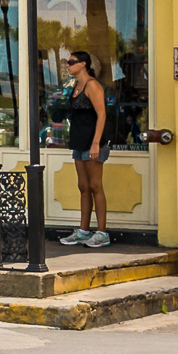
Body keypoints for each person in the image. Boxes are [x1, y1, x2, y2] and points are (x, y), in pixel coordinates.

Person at [56, 48, 113, 248]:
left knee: (96, 185)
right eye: (68, 62)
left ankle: (102, 233)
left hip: (92, 142)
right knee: (83, 186)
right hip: (79, 141)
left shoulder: (92, 85)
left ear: (83, 64)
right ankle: (83, 230)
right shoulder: (76, 85)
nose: (68, 65)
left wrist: (96, 143)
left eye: (72, 62)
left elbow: (102, 115)